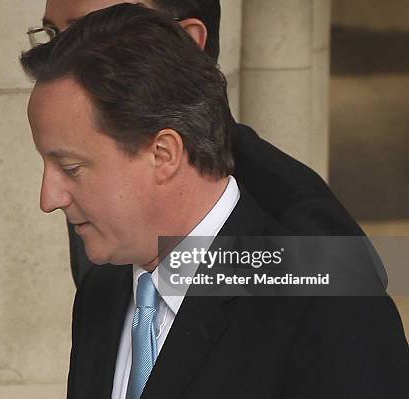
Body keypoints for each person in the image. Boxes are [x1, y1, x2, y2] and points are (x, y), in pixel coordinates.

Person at [21, 4, 408, 399]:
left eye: (70, 167)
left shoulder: (328, 307)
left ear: (164, 154)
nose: (48, 199)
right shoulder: (103, 290)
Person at [28, 0, 371, 287]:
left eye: (93, 33)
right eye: (54, 37)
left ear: (187, 42)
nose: (62, 60)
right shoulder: (95, 185)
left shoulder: (300, 227)